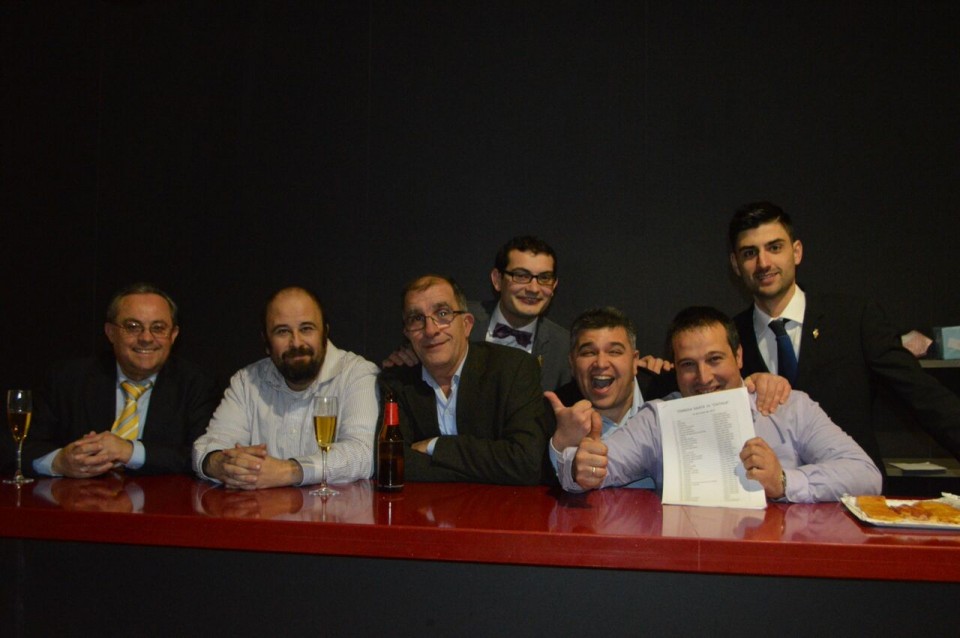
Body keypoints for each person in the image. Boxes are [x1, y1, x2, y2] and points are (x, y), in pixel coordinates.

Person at [555, 306, 881, 503]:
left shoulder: (789, 407)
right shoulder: (659, 418)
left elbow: (866, 475)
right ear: (675, 368)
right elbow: (594, 467)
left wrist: (783, 482)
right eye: (688, 365)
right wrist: (578, 466)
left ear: (738, 356)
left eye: (714, 359)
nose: (703, 377)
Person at [728, 202, 960, 472]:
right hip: (768, 495)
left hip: (855, 491)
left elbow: (924, 397)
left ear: (797, 252)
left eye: (775, 247)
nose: (764, 263)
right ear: (736, 264)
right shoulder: (728, 339)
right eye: (750, 253)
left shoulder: (854, 318)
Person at [546, 307, 792, 488]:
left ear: (634, 361)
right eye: (588, 353)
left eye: (615, 351)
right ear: (572, 363)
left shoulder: (670, 390)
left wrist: (758, 381)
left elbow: (718, 386)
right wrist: (563, 447)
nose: (601, 363)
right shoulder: (557, 410)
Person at [22, 283, 219, 478]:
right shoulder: (67, 379)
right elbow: (22, 446)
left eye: (158, 328)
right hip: (76, 496)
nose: (146, 338)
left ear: (173, 335)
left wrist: (129, 451)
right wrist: (59, 462)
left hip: (160, 496)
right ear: (110, 332)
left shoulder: (196, 384)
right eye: (133, 327)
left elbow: (201, 456)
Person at [193, 287, 379, 490]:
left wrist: (289, 471)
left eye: (306, 328)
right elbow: (208, 446)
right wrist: (222, 464)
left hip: (334, 510)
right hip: (259, 509)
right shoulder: (247, 381)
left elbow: (364, 453)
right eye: (282, 331)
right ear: (266, 341)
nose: (296, 342)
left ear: (325, 332)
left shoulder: (356, 374)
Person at [378, 274, 554, 485]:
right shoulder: (397, 382)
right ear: (407, 333)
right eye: (416, 319)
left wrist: (437, 446)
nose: (431, 330)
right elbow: (391, 464)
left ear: (467, 324)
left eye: (443, 314)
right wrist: (485, 469)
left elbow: (525, 462)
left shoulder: (513, 369)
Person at [383, 236, 571, 393]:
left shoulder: (564, 346)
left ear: (554, 285)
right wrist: (405, 360)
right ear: (497, 280)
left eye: (544, 278)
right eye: (521, 276)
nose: (533, 289)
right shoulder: (454, 319)